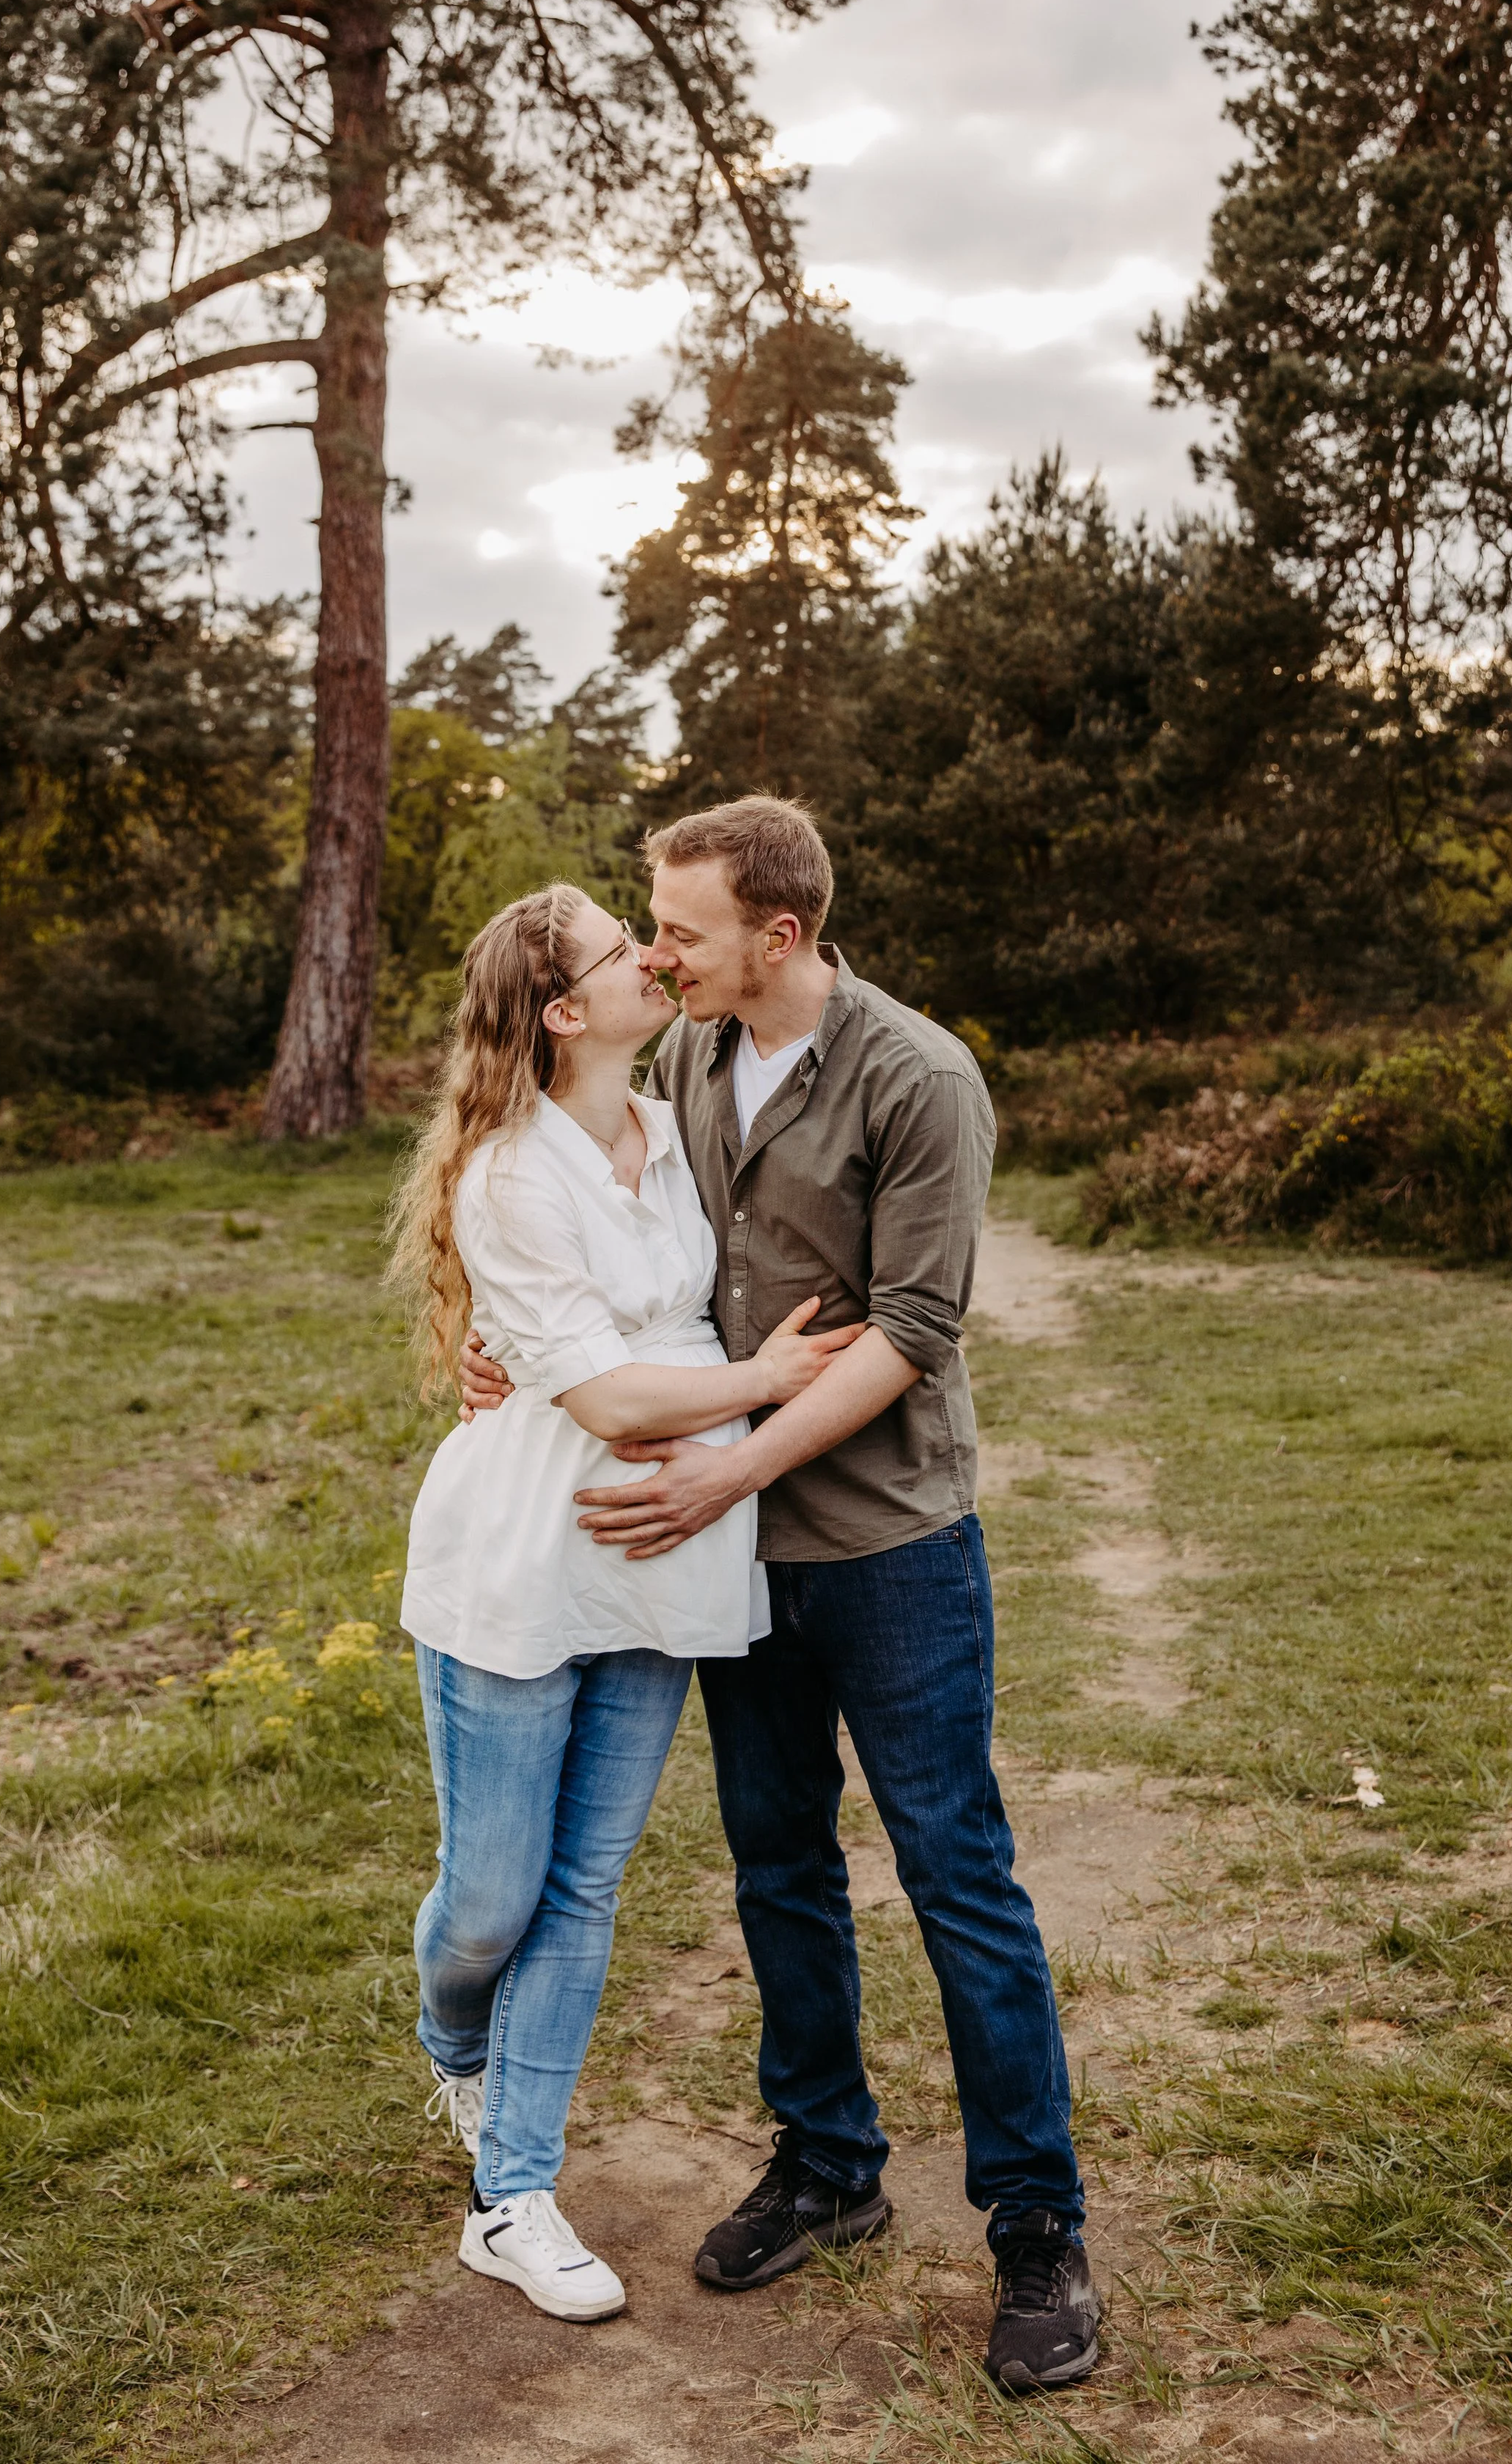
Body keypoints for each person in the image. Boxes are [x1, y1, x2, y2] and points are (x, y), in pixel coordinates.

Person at [460, 801, 1101, 2392]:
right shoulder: (677, 1061)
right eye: (645, 929)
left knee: (955, 1871)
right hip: (725, 1562)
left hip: (886, 1547)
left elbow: (908, 1331)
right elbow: (594, 1243)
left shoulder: (916, 1075)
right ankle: (826, 2158)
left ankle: (1036, 2227)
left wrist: (725, 1469)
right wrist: (518, 1356)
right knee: (776, 1866)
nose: (654, 948)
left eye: (676, 928)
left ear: (781, 935)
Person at [388, 880, 860, 2325]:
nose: (652, 956)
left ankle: (513, 2194)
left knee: (584, 1885)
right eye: (619, 949)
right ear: (560, 1010)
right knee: (490, 1896)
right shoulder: (509, 1173)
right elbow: (600, 1390)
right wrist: (759, 1386)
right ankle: (446, 2034)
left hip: (664, 1547)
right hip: (526, 1548)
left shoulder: (678, 1123)